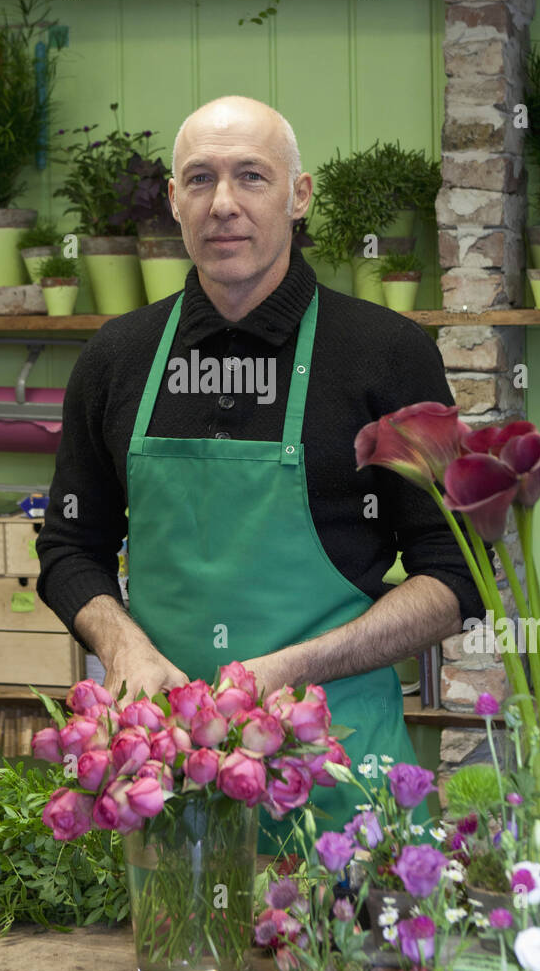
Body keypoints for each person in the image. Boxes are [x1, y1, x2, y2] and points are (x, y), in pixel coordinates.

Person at [36, 95, 486, 845]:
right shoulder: (117, 357)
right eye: (200, 180)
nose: (224, 205)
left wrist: (295, 669)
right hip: (163, 781)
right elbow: (69, 549)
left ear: (299, 195)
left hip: (340, 777)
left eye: (252, 176)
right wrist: (124, 647)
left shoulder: (387, 353)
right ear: (174, 201)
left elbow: (456, 576)